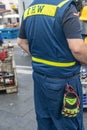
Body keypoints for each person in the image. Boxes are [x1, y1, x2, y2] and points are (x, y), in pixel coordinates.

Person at [17, 0, 87, 129]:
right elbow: (77, 49)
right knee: (68, 123)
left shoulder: (30, 9)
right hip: (64, 82)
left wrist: (43, 56)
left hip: (39, 79)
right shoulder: (66, 8)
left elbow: (21, 42)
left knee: (45, 121)